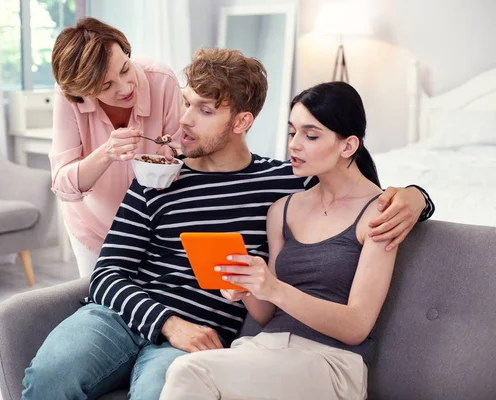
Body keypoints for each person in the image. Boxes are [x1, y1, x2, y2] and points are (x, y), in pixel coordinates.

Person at [22, 48, 434, 400]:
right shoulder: (157, 176)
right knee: (48, 377)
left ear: (241, 122)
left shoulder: (284, 181)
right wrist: (168, 323)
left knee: (158, 392)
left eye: (204, 110)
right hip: (122, 318)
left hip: (204, 335)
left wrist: (416, 197)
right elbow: (107, 274)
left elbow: (354, 189)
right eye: (186, 103)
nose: (184, 120)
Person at [159, 81, 404, 399]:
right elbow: (264, 314)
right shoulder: (283, 209)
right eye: (292, 132)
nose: (295, 145)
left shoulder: (382, 213)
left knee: (189, 370)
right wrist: (246, 287)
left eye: (311, 135)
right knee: (191, 370)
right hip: (265, 350)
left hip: (331, 362)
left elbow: (357, 326)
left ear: (348, 146)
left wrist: (275, 287)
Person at [49, 17, 182, 276]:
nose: (125, 88)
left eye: (124, 69)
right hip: (93, 228)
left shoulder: (162, 80)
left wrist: (173, 156)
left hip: (156, 228)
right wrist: (106, 153)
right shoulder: (69, 97)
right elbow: (62, 184)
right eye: (106, 86)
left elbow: (179, 146)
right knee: (101, 301)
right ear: (85, 90)